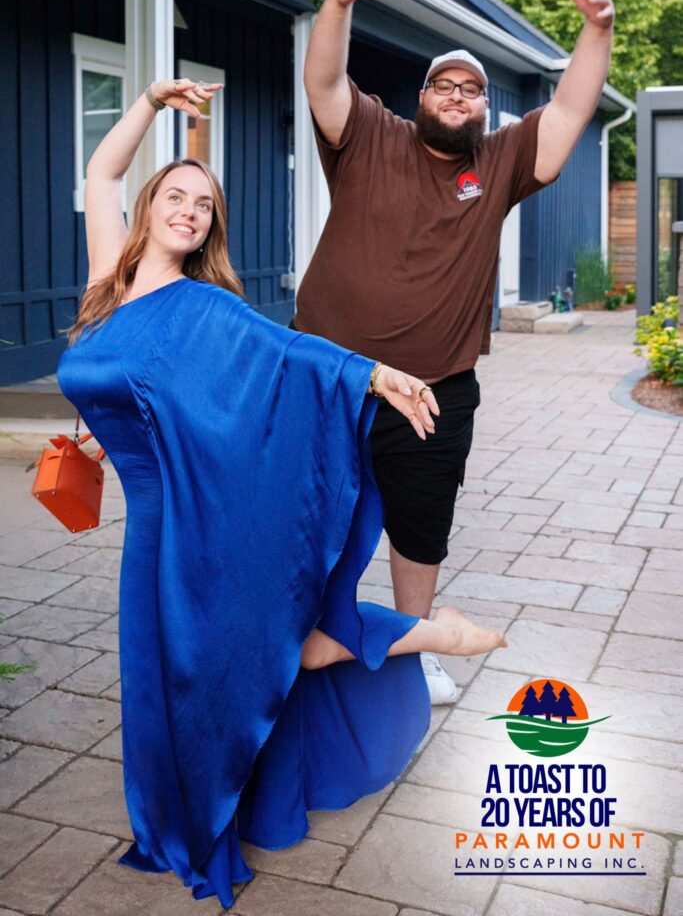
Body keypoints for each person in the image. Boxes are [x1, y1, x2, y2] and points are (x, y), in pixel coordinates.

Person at [57, 78, 507, 907]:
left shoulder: (207, 307)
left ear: (208, 231)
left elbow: (293, 354)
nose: (190, 211)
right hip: (151, 526)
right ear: (151, 206)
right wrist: (153, 105)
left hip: (209, 514)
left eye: (204, 206)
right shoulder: (106, 289)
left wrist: (374, 374)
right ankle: (173, 816)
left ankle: (417, 634)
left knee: (249, 652)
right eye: (177, 196)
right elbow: (97, 175)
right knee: (170, 675)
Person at [295, 0, 615, 704]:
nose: (459, 96)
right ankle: (295, 633)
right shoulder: (369, 135)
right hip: (325, 375)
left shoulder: (499, 163)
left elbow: (568, 110)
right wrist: (337, 1)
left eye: (472, 90)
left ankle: (415, 645)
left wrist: (596, 31)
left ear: (483, 111)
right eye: (445, 84)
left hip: (435, 388)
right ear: (421, 96)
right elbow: (322, 82)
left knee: (421, 525)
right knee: (306, 513)